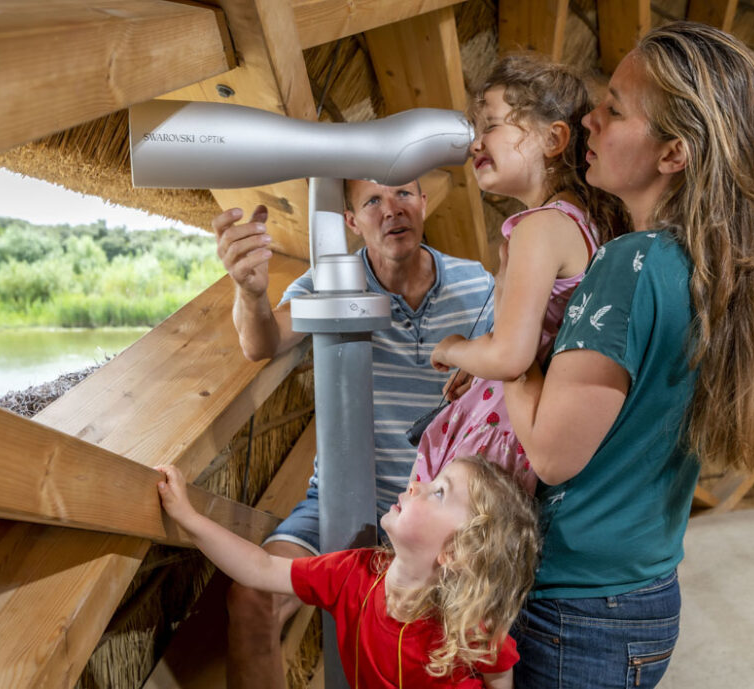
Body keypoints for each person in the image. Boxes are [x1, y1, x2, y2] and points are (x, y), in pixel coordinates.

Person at [501, 22, 754, 688]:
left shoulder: (630, 264)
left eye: (614, 107)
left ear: (673, 153)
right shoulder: (712, 268)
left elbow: (552, 452)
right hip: (642, 596)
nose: (590, 118)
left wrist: (511, 355)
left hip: (580, 608)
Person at [213, 179, 494, 688]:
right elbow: (263, 341)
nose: (392, 211)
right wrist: (250, 291)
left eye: (405, 194)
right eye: (372, 201)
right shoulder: (332, 281)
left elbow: (519, 365)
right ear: (351, 221)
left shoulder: (477, 286)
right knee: (251, 599)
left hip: (438, 513)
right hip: (339, 501)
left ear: (425, 202)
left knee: (473, 633)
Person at [413, 53, 625, 494]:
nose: (475, 144)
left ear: (553, 139)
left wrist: (455, 349)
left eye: (490, 125)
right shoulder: (579, 222)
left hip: (503, 430)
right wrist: (480, 362)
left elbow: (511, 358)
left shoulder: (540, 229)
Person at [155, 455, 540, 689]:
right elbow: (261, 568)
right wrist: (188, 518)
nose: (417, 484)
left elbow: (499, 677)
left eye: (439, 492)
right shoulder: (352, 573)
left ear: (455, 552)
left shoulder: (472, 624)